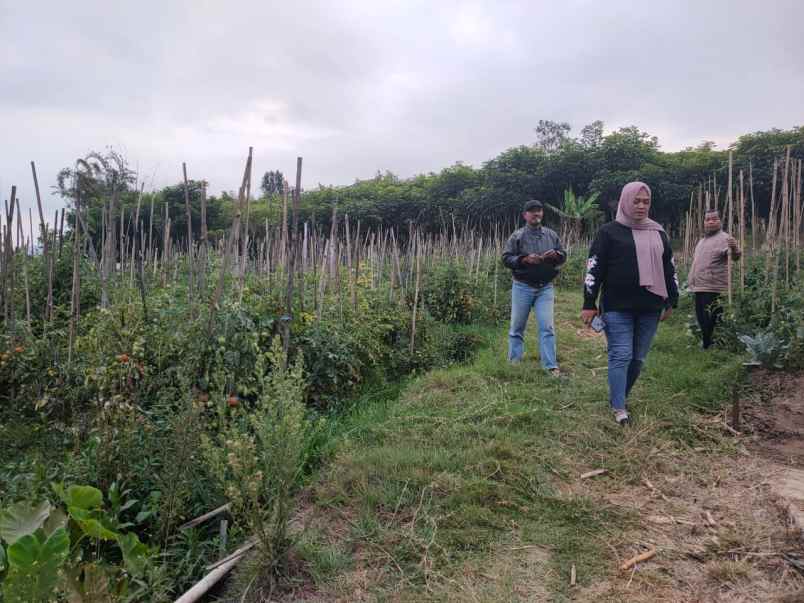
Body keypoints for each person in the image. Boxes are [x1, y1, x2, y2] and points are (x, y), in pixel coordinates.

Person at [581, 182, 678, 426]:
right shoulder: (609, 232)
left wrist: (671, 300)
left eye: (646, 201)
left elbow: (669, 267)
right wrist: (589, 302)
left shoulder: (658, 232)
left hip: (650, 306)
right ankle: (619, 408)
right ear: (625, 201)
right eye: (637, 201)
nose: (642, 206)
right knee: (621, 354)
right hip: (617, 305)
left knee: (638, 359)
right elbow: (594, 267)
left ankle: (619, 396)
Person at [502, 199, 566, 374]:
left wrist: (557, 255)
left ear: (542, 214)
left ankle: (550, 366)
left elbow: (563, 255)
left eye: (539, 210)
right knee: (517, 327)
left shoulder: (551, 235)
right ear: (525, 215)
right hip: (522, 286)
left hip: (545, 287)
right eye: (532, 211)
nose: (536, 214)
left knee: (547, 327)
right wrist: (524, 259)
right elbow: (506, 258)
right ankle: (514, 362)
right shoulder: (517, 236)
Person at [687, 210, 741, 349]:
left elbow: (735, 256)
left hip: (713, 286)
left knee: (711, 318)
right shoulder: (702, 241)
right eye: (708, 219)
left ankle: (710, 344)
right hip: (699, 286)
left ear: (720, 221)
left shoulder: (725, 238)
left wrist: (735, 248)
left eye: (714, 219)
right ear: (704, 222)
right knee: (701, 317)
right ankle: (707, 343)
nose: (711, 221)